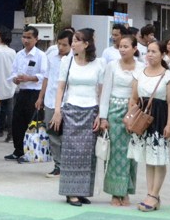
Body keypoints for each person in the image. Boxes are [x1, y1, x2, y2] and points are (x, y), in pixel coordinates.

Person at [49, 28, 103, 207]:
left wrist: (101, 114)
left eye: (77, 41)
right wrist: (58, 110)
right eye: (72, 41)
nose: (73, 44)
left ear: (87, 44)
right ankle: (70, 191)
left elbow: (100, 91)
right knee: (71, 152)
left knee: (87, 154)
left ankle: (82, 191)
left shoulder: (98, 64)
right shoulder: (67, 61)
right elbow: (60, 87)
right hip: (71, 108)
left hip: (91, 109)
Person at [128, 41, 170, 212]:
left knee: (159, 157)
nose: (150, 54)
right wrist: (130, 118)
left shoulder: (168, 76)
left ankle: (154, 195)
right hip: (142, 119)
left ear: (162, 54)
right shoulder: (139, 73)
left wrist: (169, 124)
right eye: (148, 51)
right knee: (148, 158)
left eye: (154, 51)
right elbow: (133, 98)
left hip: (159, 117)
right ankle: (150, 193)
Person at [98, 36, 140, 206]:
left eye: (126, 46)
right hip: (114, 111)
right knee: (115, 154)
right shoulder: (112, 66)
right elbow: (105, 91)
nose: (122, 50)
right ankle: (115, 192)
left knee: (131, 154)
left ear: (135, 48)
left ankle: (127, 190)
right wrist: (103, 117)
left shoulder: (141, 67)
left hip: (133, 113)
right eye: (120, 47)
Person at [37, 29, 72, 177]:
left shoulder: (73, 60)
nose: (61, 47)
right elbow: (46, 77)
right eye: (59, 44)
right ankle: (58, 165)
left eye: (64, 45)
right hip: (50, 101)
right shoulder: (51, 57)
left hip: (67, 102)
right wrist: (40, 97)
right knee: (52, 134)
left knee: (66, 135)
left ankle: (68, 165)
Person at [6, 28, 46, 162]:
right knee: (17, 122)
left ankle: (32, 152)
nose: (26, 40)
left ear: (36, 39)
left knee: (33, 123)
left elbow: (44, 75)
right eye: (24, 37)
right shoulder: (19, 55)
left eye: (29, 37)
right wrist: (15, 79)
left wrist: (30, 78)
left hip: (34, 93)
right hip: (21, 92)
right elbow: (12, 72)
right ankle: (18, 151)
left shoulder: (40, 55)